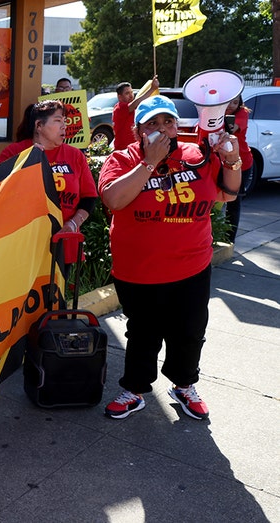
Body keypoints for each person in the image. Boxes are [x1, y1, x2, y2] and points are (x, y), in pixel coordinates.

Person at [98, 95, 242, 421]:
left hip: (191, 267)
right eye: (152, 123)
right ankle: (134, 390)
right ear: (138, 130)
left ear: (177, 126)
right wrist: (149, 162)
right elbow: (114, 199)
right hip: (139, 271)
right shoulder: (122, 160)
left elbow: (227, 193)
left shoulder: (195, 156)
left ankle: (184, 384)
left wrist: (232, 160)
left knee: (189, 332)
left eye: (168, 122)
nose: (162, 129)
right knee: (143, 334)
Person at [0, 101, 97, 233]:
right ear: (39, 125)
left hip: (65, 242)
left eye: (65, 121)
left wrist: (73, 223)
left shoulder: (75, 155)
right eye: (58, 120)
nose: (64, 126)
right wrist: (27, 160)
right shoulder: (13, 153)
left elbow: (89, 197)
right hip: (24, 240)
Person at [221, 94, 253, 243]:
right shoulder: (215, 112)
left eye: (235, 102)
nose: (231, 105)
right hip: (219, 162)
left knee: (233, 201)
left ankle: (229, 240)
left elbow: (232, 128)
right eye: (228, 101)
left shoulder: (242, 113)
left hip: (241, 163)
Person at [112, 77, 158, 150]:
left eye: (131, 92)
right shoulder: (120, 108)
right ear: (119, 97)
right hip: (123, 148)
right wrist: (152, 89)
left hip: (134, 147)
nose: (131, 95)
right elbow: (137, 102)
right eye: (127, 93)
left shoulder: (133, 108)